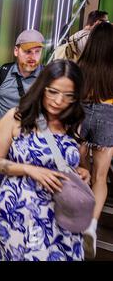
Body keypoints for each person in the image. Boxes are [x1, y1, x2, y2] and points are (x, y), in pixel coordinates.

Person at [0, 60, 90, 261]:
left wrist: (83, 172)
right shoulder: (16, 117)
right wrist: (29, 169)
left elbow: (81, 165)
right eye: (53, 92)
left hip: (61, 215)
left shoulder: (73, 123)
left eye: (69, 96)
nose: (59, 101)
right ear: (42, 87)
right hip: (19, 213)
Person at [0, 29, 45, 259]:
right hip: (1, 146)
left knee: (27, 197)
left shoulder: (47, 80)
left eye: (37, 52)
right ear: (16, 51)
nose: (33, 57)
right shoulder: (3, 72)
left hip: (29, 148)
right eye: (27, 52)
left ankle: (22, 242)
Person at [77, 21, 113, 259]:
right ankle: (91, 225)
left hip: (82, 112)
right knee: (100, 176)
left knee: (80, 169)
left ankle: (75, 219)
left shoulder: (81, 65)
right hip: (109, 113)